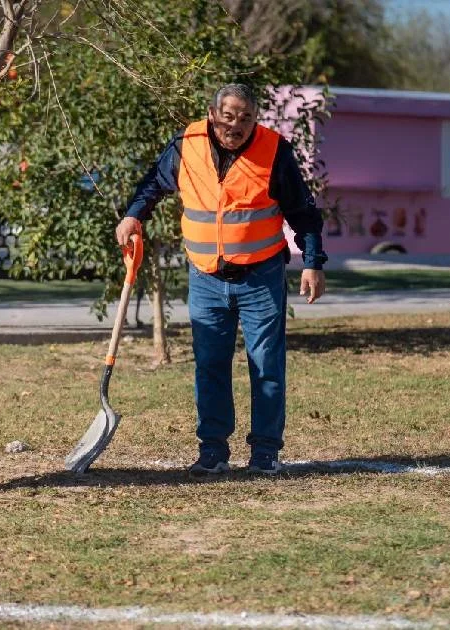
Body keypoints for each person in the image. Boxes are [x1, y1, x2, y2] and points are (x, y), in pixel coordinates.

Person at [116, 83, 326, 476]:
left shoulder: (274, 150)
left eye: (245, 118)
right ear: (212, 115)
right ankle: (212, 450)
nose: (236, 125)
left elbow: (303, 211)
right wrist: (132, 216)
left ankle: (265, 451)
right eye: (228, 116)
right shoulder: (186, 144)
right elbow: (152, 185)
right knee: (210, 365)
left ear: (255, 120)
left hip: (261, 277)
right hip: (206, 277)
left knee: (266, 365)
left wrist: (312, 262)